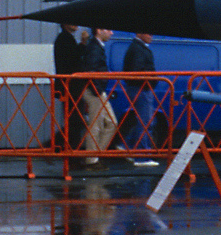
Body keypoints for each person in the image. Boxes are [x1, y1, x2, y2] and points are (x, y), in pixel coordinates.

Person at [77, 27, 117, 167]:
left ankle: (95, 156)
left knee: (111, 123)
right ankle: (92, 159)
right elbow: (91, 70)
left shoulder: (95, 46)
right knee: (97, 124)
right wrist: (97, 89)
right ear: (99, 30)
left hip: (96, 89)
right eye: (109, 30)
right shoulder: (95, 48)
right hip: (94, 90)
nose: (111, 32)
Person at [121, 33, 160, 166]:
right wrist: (150, 80)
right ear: (140, 33)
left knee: (148, 120)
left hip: (139, 88)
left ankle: (128, 146)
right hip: (141, 88)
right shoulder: (138, 49)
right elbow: (137, 70)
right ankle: (142, 156)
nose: (152, 36)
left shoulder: (136, 47)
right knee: (145, 121)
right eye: (149, 33)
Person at [53, 23, 83, 151]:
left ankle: (61, 146)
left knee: (73, 120)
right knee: (74, 120)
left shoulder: (64, 38)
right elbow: (73, 60)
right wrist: (82, 45)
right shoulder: (65, 39)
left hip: (68, 86)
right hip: (70, 86)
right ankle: (69, 151)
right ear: (65, 24)